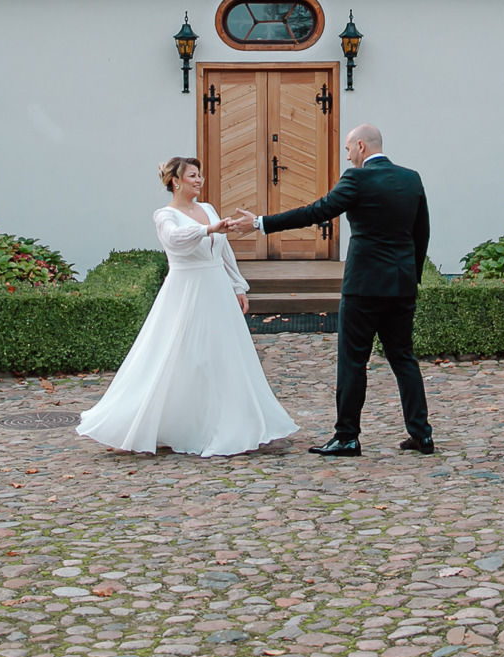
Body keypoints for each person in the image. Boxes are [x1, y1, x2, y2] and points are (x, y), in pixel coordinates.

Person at [230, 123, 432, 457]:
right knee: (404, 359)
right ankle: (422, 434)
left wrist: (260, 223)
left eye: (349, 148)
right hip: (401, 284)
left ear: (363, 147)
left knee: (353, 361)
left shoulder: (356, 179)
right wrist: (412, 276)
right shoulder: (412, 178)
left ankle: (347, 437)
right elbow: (421, 232)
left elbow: (316, 212)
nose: (348, 154)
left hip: (364, 287)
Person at [76, 156, 298, 457]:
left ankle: (231, 423)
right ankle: (168, 423)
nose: (198, 180)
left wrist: (238, 285)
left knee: (224, 355)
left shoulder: (207, 209)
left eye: (199, 175)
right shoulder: (164, 215)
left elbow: (223, 252)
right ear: (175, 181)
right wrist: (207, 230)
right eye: (192, 175)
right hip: (185, 291)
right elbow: (174, 239)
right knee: (180, 355)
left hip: (216, 288)